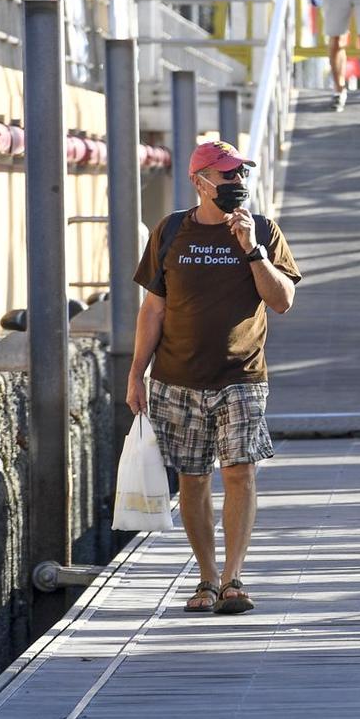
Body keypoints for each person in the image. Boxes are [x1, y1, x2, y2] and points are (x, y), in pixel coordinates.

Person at [126, 141, 303, 615]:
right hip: (176, 377)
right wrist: (135, 374)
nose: (237, 184)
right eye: (227, 176)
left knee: (240, 472)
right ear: (199, 181)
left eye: (241, 175)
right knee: (192, 479)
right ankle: (205, 578)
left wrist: (253, 252)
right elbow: (153, 308)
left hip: (241, 377)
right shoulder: (169, 231)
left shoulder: (263, 230)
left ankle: (233, 580)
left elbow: (282, 300)